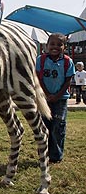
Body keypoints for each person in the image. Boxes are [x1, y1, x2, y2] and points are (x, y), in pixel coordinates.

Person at [36, 33, 75, 164]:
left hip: (61, 99)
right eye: (52, 44)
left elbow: (68, 81)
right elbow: (38, 79)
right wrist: (47, 94)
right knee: (44, 127)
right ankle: (44, 154)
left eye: (59, 44)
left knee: (58, 127)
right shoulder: (41, 60)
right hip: (44, 99)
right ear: (46, 46)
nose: (55, 47)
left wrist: (57, 96)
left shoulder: (68, 62)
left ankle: (56, 156)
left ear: (64, 47)